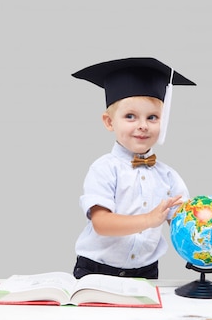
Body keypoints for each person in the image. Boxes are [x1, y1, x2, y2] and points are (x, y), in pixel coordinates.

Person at [71, 57, 196, 279]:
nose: (142, 125)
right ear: (109, 122)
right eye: (130, 116)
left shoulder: (169, 177)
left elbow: (185, 223)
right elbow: (101, 223)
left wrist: (210, 224)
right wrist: (149, 220)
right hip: (97, 270)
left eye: (153, 117)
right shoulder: (103, 169)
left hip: (145, 272)